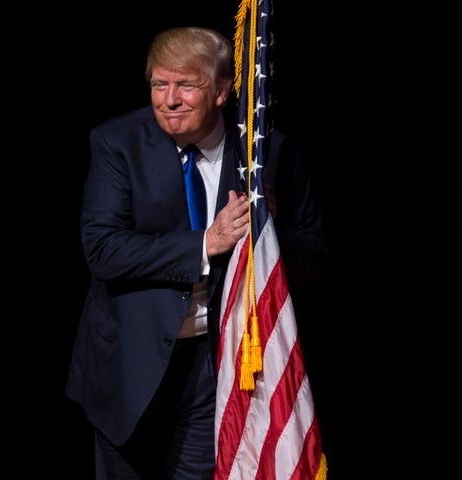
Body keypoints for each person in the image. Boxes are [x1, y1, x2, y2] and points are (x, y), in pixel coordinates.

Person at [65, 26, 326, 479]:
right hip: (130, 367)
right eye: (159, 84)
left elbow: (315, 257)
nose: (169, 100)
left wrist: (269, 230)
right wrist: (208, 243)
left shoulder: (267, 153)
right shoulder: (116, 143)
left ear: (222, 91)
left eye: (186, 85)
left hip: (216, 373)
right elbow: (103, 250)